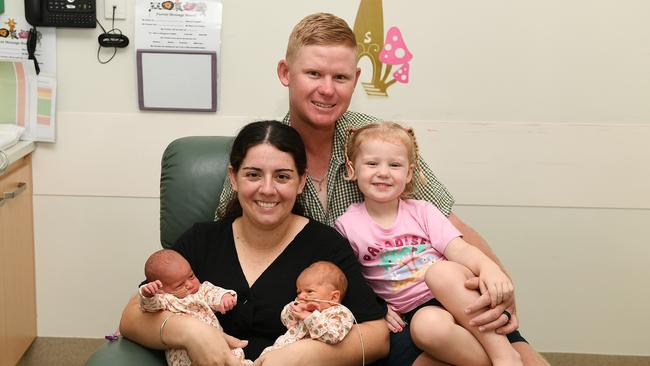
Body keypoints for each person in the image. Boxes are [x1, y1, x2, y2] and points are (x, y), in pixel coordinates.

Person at [215, 12, 548, 366]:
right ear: (286, 73)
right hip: (370, 315)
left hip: (437, 289)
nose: (327, 89)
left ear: (356, 79)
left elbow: (449, 225)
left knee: (520, 354)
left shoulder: (377, 140)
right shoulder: (265, 151)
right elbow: (227, 242)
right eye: (313, 73)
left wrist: (500, 288)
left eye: (340, 77)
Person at [120, 121, 389, 366]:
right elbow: (132, 316)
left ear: (301, 181)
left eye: (282, 176)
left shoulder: (326, 245)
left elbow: (377, 337)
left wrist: (303, 355)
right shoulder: (202, 239)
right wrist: (191, 332)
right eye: (253, 175)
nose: (268, 189)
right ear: (234, 178)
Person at [336, 121, 524, 366]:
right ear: (352, 169)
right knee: (426, 328)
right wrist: (377, 307)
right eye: (372, 163)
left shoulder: (422, 211)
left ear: (409, 173)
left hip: (458, 294)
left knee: (440, 272)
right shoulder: (347, 225)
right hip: (417, 311)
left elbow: (459, 249)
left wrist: (488, 267)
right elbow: (352, 279)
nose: (383, 172)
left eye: (394, 165)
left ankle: (505, 356)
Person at [139, 249, 252, 366]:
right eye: (179, 285)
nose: (189, 284)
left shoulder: (202, 291)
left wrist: (224, 298)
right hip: (185, 354)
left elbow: (214, 293)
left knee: (235, 355)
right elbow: (149, 307)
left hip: (217, 345)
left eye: (191, 276)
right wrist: (148, 294)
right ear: (162, 290)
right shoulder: (167, 300)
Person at [260, 261, 354, 357]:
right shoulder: (303, 309)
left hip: (302, 358)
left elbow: (333, 337)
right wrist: (295, 308)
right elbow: (286, 320)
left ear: (333, 297)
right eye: (299, 292)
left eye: (309, 291)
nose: (301, 296)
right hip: (277, 351)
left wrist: (310, 317)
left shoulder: (340, 313)